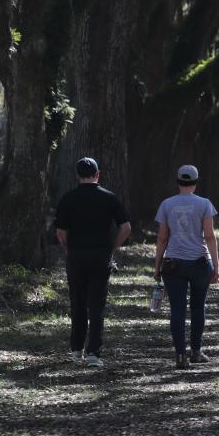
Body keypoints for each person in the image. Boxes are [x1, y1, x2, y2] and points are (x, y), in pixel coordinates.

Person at [53, 157, 132, 368]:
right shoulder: (109, 198)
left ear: (78, 176)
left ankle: (76, 349)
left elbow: (60, 231)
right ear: (97, 174)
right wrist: (113, 248)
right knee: (96, 305)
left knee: (77, 302)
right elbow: (126, 228)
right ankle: (93, 354)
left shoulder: (68, 199)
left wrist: (67, 247)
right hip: (100, 255)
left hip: (77, 255)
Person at [153, 164, 219, 370]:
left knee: (177, 309)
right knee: (198, 307)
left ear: (178, 181)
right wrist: (216, 266)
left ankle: (180, 355)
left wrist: (157, 266)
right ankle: (197, 351)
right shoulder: (204, 204)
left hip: (173, 264)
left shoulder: (167, 204)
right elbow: (209, 236)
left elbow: (162, 239)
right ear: (196, 182)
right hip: (200, 262)